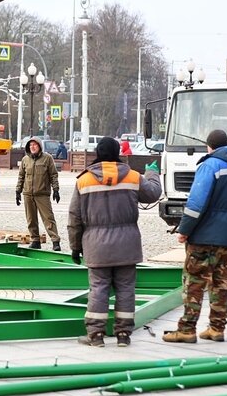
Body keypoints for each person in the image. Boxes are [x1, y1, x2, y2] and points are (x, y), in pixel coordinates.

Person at [68, 136, 161, 347]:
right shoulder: (132, 177)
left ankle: (96, 335)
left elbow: (75, 218)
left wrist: (75, 247)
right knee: (126, 288)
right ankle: (123, 335)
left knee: (98, 288)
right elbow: (154, 193)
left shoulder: (84, 180)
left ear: (97, 153)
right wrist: (153, 173)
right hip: (127, 245)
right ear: (118, 152)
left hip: (97, 246)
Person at [163, 129, 227, 344]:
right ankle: (216, 328)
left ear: (209, 146)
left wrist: (184, 230)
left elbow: (196, 203)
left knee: (194, 280)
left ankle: (186, 329)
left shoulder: (209, 165)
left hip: (204, 234)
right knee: (221, 282)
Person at [15, 136, 62, 251]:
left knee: (48, 218)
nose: (32, 147)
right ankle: (35, 240)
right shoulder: (25, 160)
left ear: (40, 146)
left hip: (42, 194)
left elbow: (53, 175)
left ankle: (55, 241)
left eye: (35, 145)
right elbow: (21, 176)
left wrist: (56, 189)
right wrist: (18, 191)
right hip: (28, 194)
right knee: (31, 219)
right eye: (30, 145)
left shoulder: (47, 158)